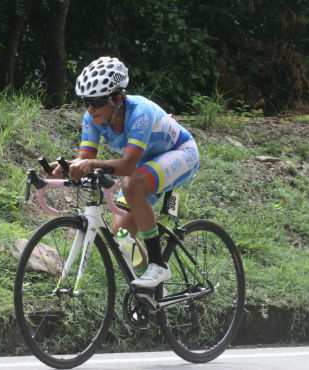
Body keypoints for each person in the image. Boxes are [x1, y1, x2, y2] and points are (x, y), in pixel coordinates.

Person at [45, 56, 199, 289]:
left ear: (117, 98)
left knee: (132, 184)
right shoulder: (92, 118)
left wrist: (92, 164)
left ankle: (159, 265)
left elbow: (126, 166)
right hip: (144, 165)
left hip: (182, 153)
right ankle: (150, 292)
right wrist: (66, 166)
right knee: (122, 237)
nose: (90, 109)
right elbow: (86, 159)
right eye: (86, 102)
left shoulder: (140, 112)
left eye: (96, 102)